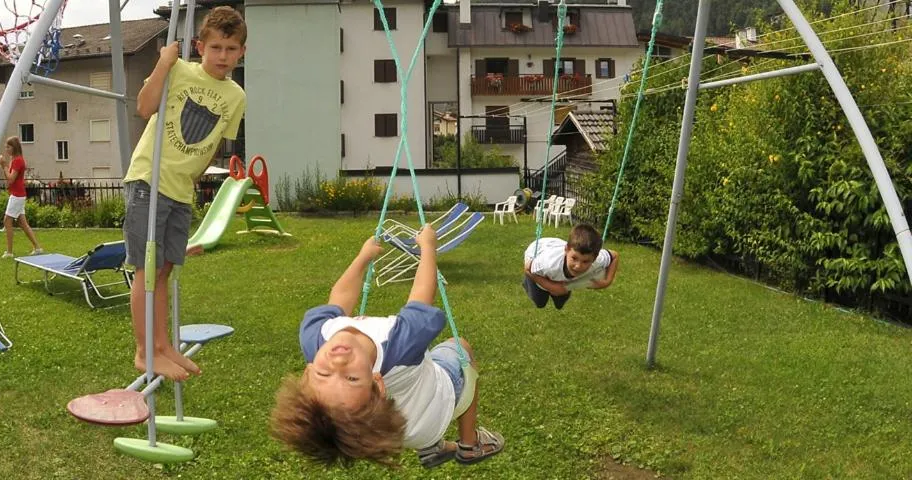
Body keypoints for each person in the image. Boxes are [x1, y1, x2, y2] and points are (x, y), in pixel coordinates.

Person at [272, 226, 505, 468]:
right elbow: (422, 294)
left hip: (404, 430)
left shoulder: (314, 337)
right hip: (434, 411)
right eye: (351, 378)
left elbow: (339, 299)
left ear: (308, 371)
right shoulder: (400, 343)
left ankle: (433, 449)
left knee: (418, 381)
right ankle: (470, 444)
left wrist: (362, 258)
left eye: (323, 374)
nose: (337, 363)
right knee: (460, 347)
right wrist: (427, 247)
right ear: (376, 382)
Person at [122, 6, 247, 381]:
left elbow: (212, 147)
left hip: (180, 190)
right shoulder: (179, 71)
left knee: (164, 271)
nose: (222, 56)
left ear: (242, 52)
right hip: (149, 178)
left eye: (231, 49)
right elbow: (144, 107)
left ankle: (163, 346)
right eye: (216, 47)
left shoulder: (236, 96)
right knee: (146, 270)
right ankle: (144, 351)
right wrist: (162, 63)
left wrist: (192, 178)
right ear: (200, 46)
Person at [523, 223, 619, 310]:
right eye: (574, 258)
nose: (578, 266)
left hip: (556, 252)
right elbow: (527, 268)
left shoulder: (597, 260)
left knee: (560, 302)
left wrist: (607, 282)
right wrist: (551, 286)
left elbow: (614, 255)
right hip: (538, 252)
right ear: (567, 250)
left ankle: (559, 287)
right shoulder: (548, 263)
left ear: (594, 258)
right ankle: (526, 283)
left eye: (585, 261)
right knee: (540, 303)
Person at [0, 136, 44, 259]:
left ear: (14, 147)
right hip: (17, 194)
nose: (6, 149)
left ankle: (9, 251)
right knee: (23, 223)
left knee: (7, 221)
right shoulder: (14, 160)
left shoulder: (18, 161)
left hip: (17, 195)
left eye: (8, 147)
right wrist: (6, 166)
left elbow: (11, 178)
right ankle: (38, 248)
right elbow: (10, 179)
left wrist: (4, 166)